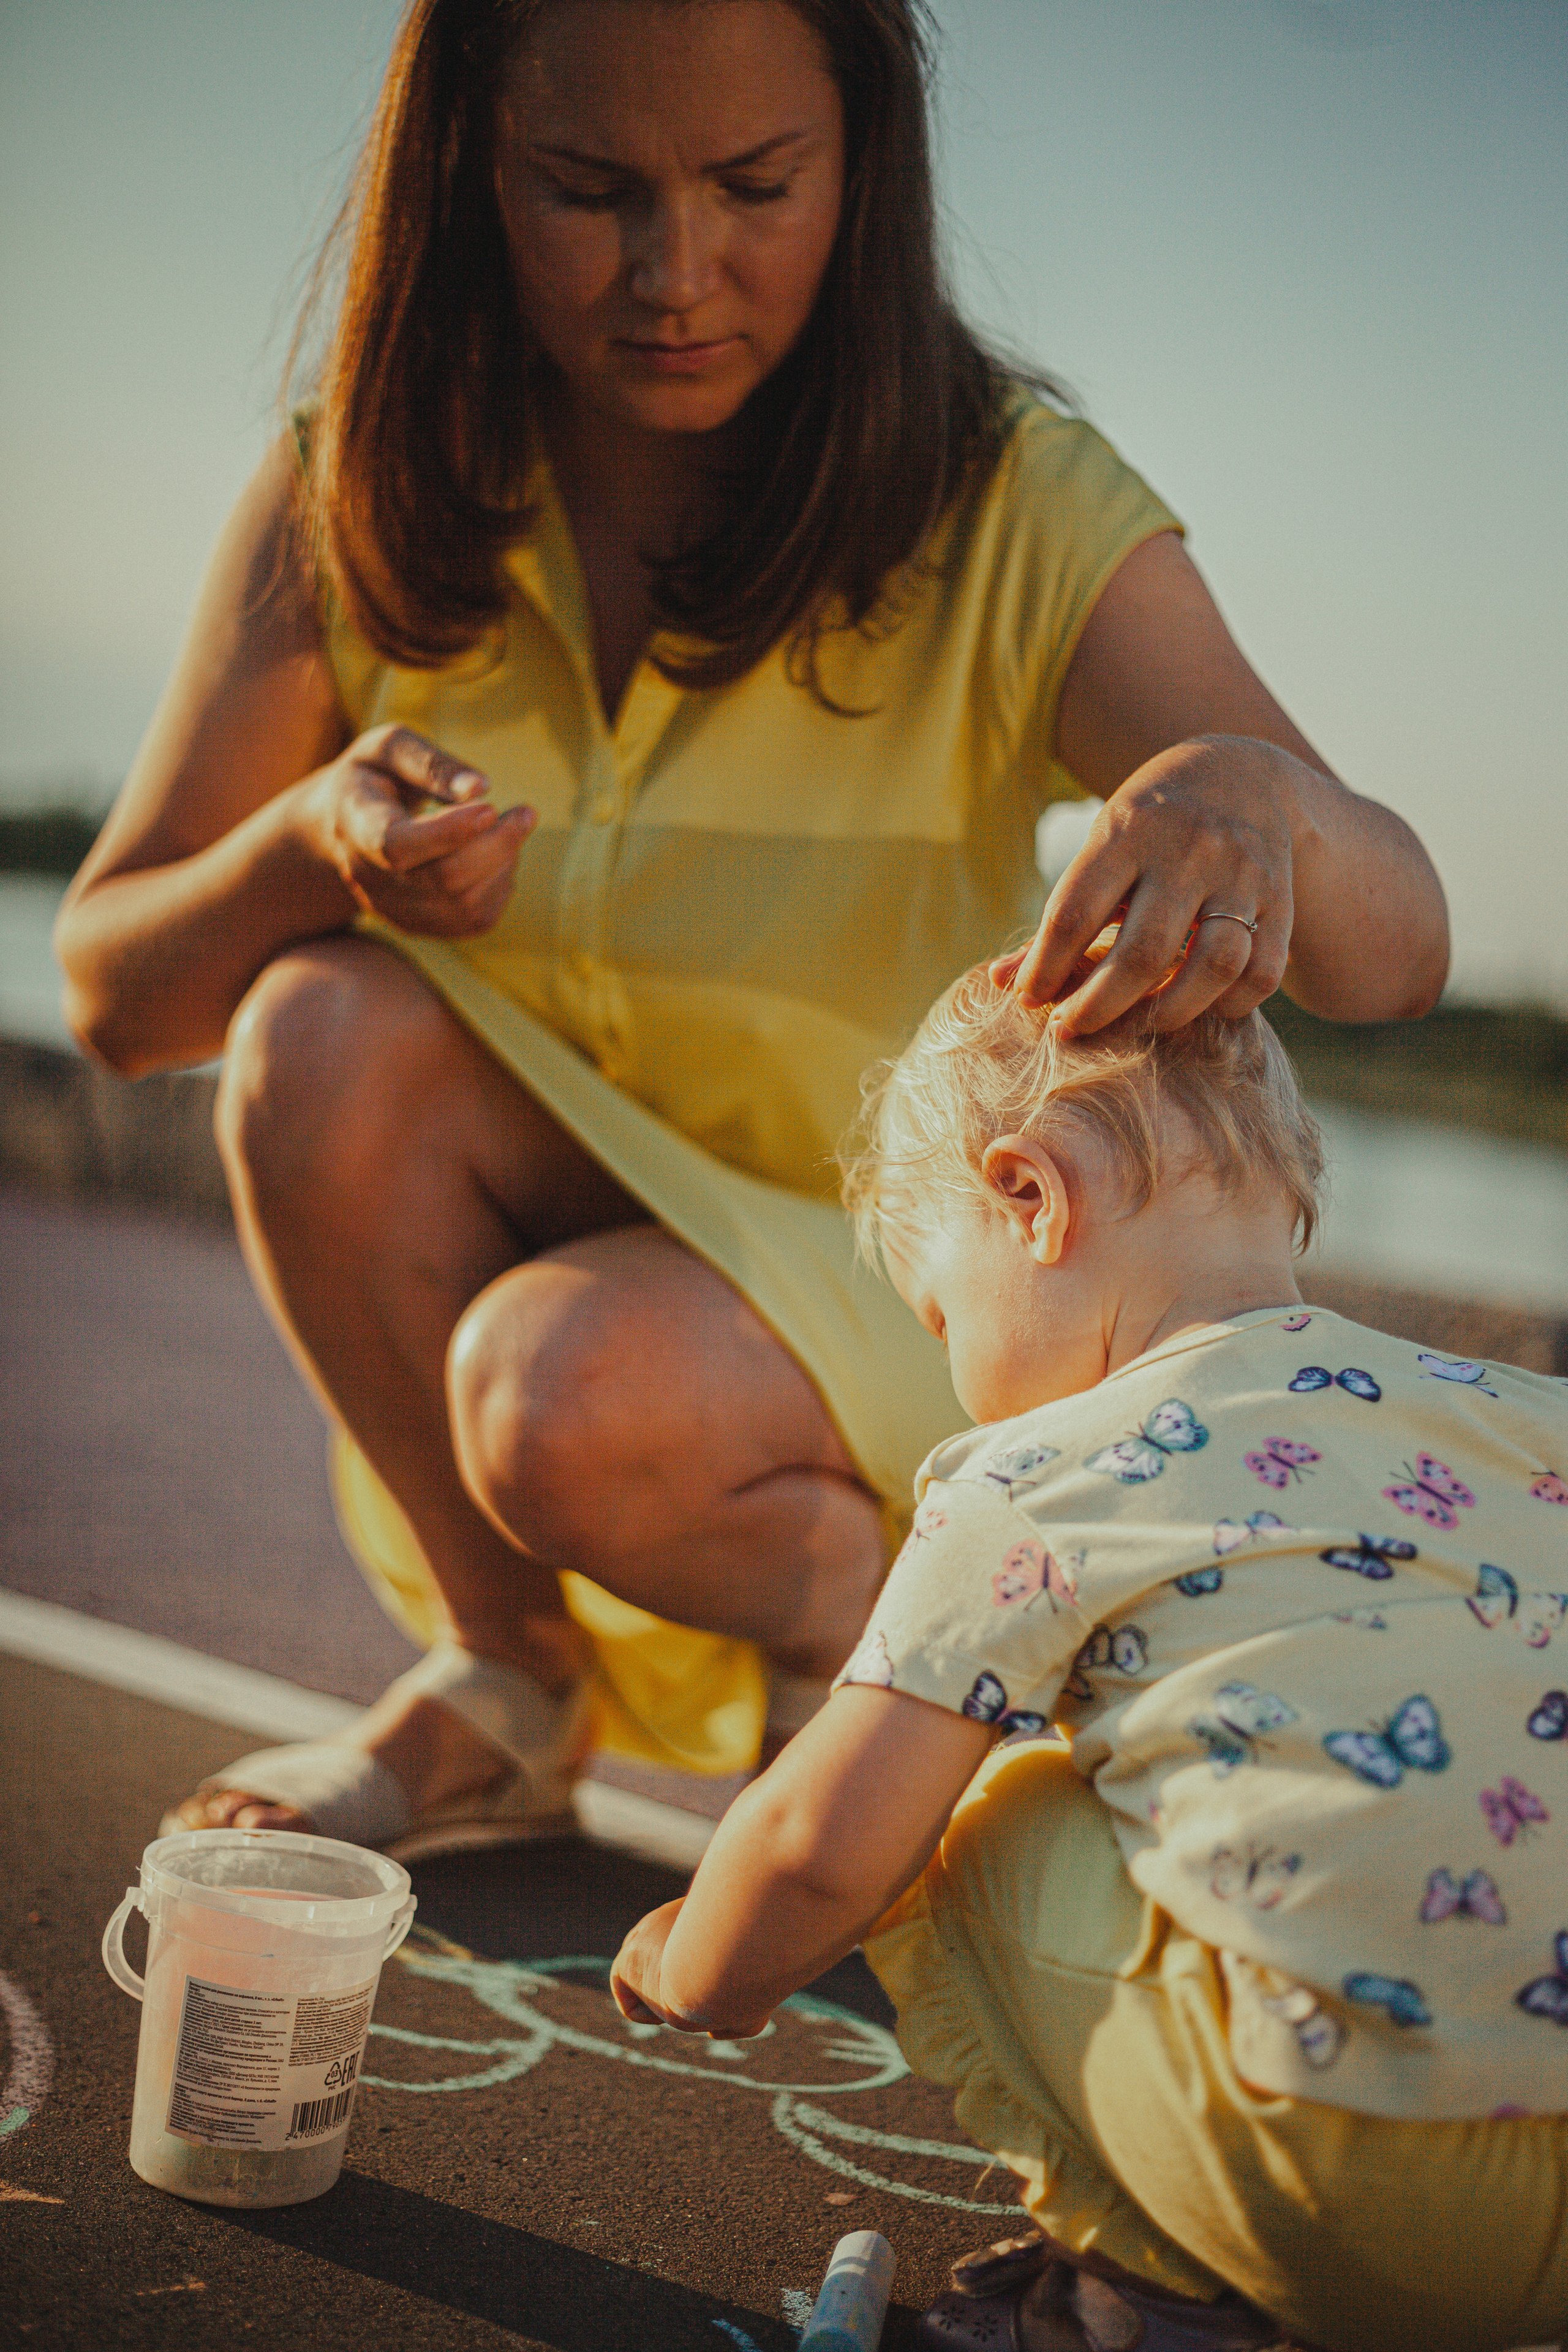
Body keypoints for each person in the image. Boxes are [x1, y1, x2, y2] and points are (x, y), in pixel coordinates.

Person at [55, 0, 1450, 1854]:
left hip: (915, 1281)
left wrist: (1250, 792)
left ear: (863, 165)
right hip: (579, 1243)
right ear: (468, 162)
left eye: (755, 183)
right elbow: (116, 997)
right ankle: (503, 1678)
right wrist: (311, 845)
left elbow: (1397, 955)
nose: (674, 272)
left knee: (563, 1385)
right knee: (312, 1026)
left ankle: (856, 1608)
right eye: (590, 190)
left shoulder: (1006, 496)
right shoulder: (359, 480)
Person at [609, 959, 1568, 2352]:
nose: (951, 1365)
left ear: (1029, 1199)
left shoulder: (1042, 1473)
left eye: (941, 1316)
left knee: (964, 1809)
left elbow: (816, 1843)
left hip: (1360, 2202)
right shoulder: (1523, 1418)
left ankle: (1142, 2294)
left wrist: (696, 1967)